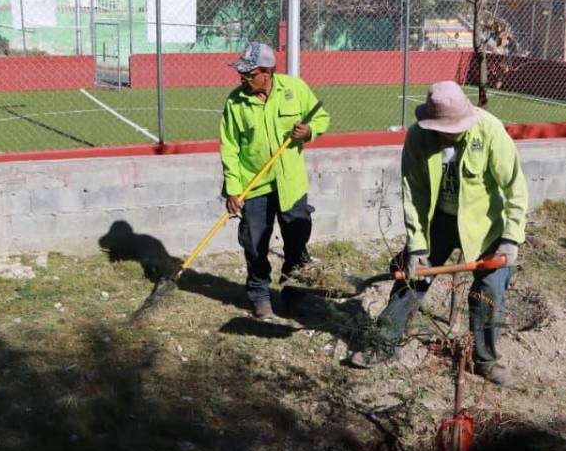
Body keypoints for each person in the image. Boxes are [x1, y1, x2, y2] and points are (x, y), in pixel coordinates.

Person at [349, 80, 528, 386]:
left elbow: (515, 187)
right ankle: (384, 344)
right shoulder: (419, 138)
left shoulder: (489, 131)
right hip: (440, 220)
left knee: (489, 291)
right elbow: (413, 194)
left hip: (486, 224)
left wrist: (511, 238)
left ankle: (485, 361)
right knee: (412, 278)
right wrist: (417, 247)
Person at [219, 41, 330, 319]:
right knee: (255, 243)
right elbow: (229, 147)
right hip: (254, 185)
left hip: (290, 184)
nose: (242, 78)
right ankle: (259, 293)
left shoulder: (295, 89)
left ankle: (293, 294)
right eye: (241, 73)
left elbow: (323, 117)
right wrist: (233, 189)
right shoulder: (235, 102)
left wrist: (310, 131)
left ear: (267, 72)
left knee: (296, 241)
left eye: (249, 73)